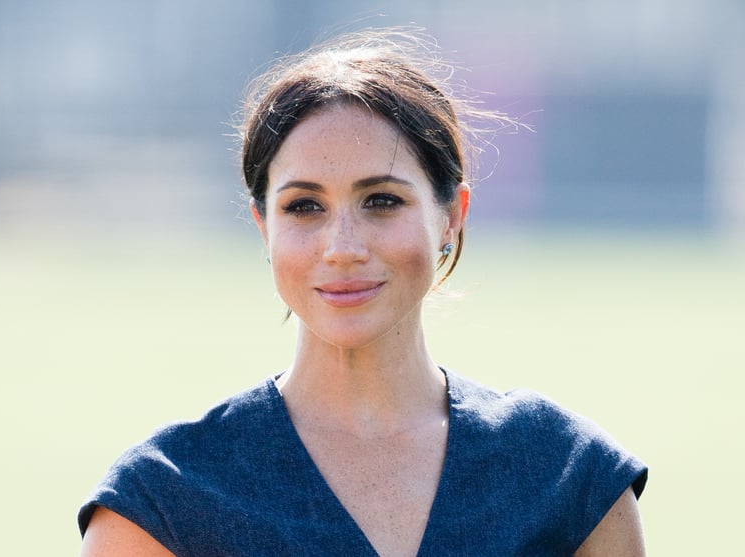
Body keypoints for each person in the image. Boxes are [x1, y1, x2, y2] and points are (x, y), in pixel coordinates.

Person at [78, 28, 647, 557]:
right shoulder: (161, 503)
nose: (342, 246)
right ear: (263, 228)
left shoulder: (569, 478)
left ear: (451, 216)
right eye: (304, 206)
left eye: (381, 200)